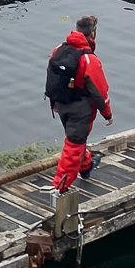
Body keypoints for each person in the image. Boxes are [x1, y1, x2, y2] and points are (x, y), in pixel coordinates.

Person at [45, 16, 112, 193]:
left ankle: (86, 165)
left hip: (61, 104)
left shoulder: (58, 49)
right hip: (80, 109)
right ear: (93, 34)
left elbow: (51, 77)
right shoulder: (89, 59)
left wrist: (54, 103)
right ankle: (60, 187)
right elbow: (99, 90)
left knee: (74, 138)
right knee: (74, 145)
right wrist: (107, 114)